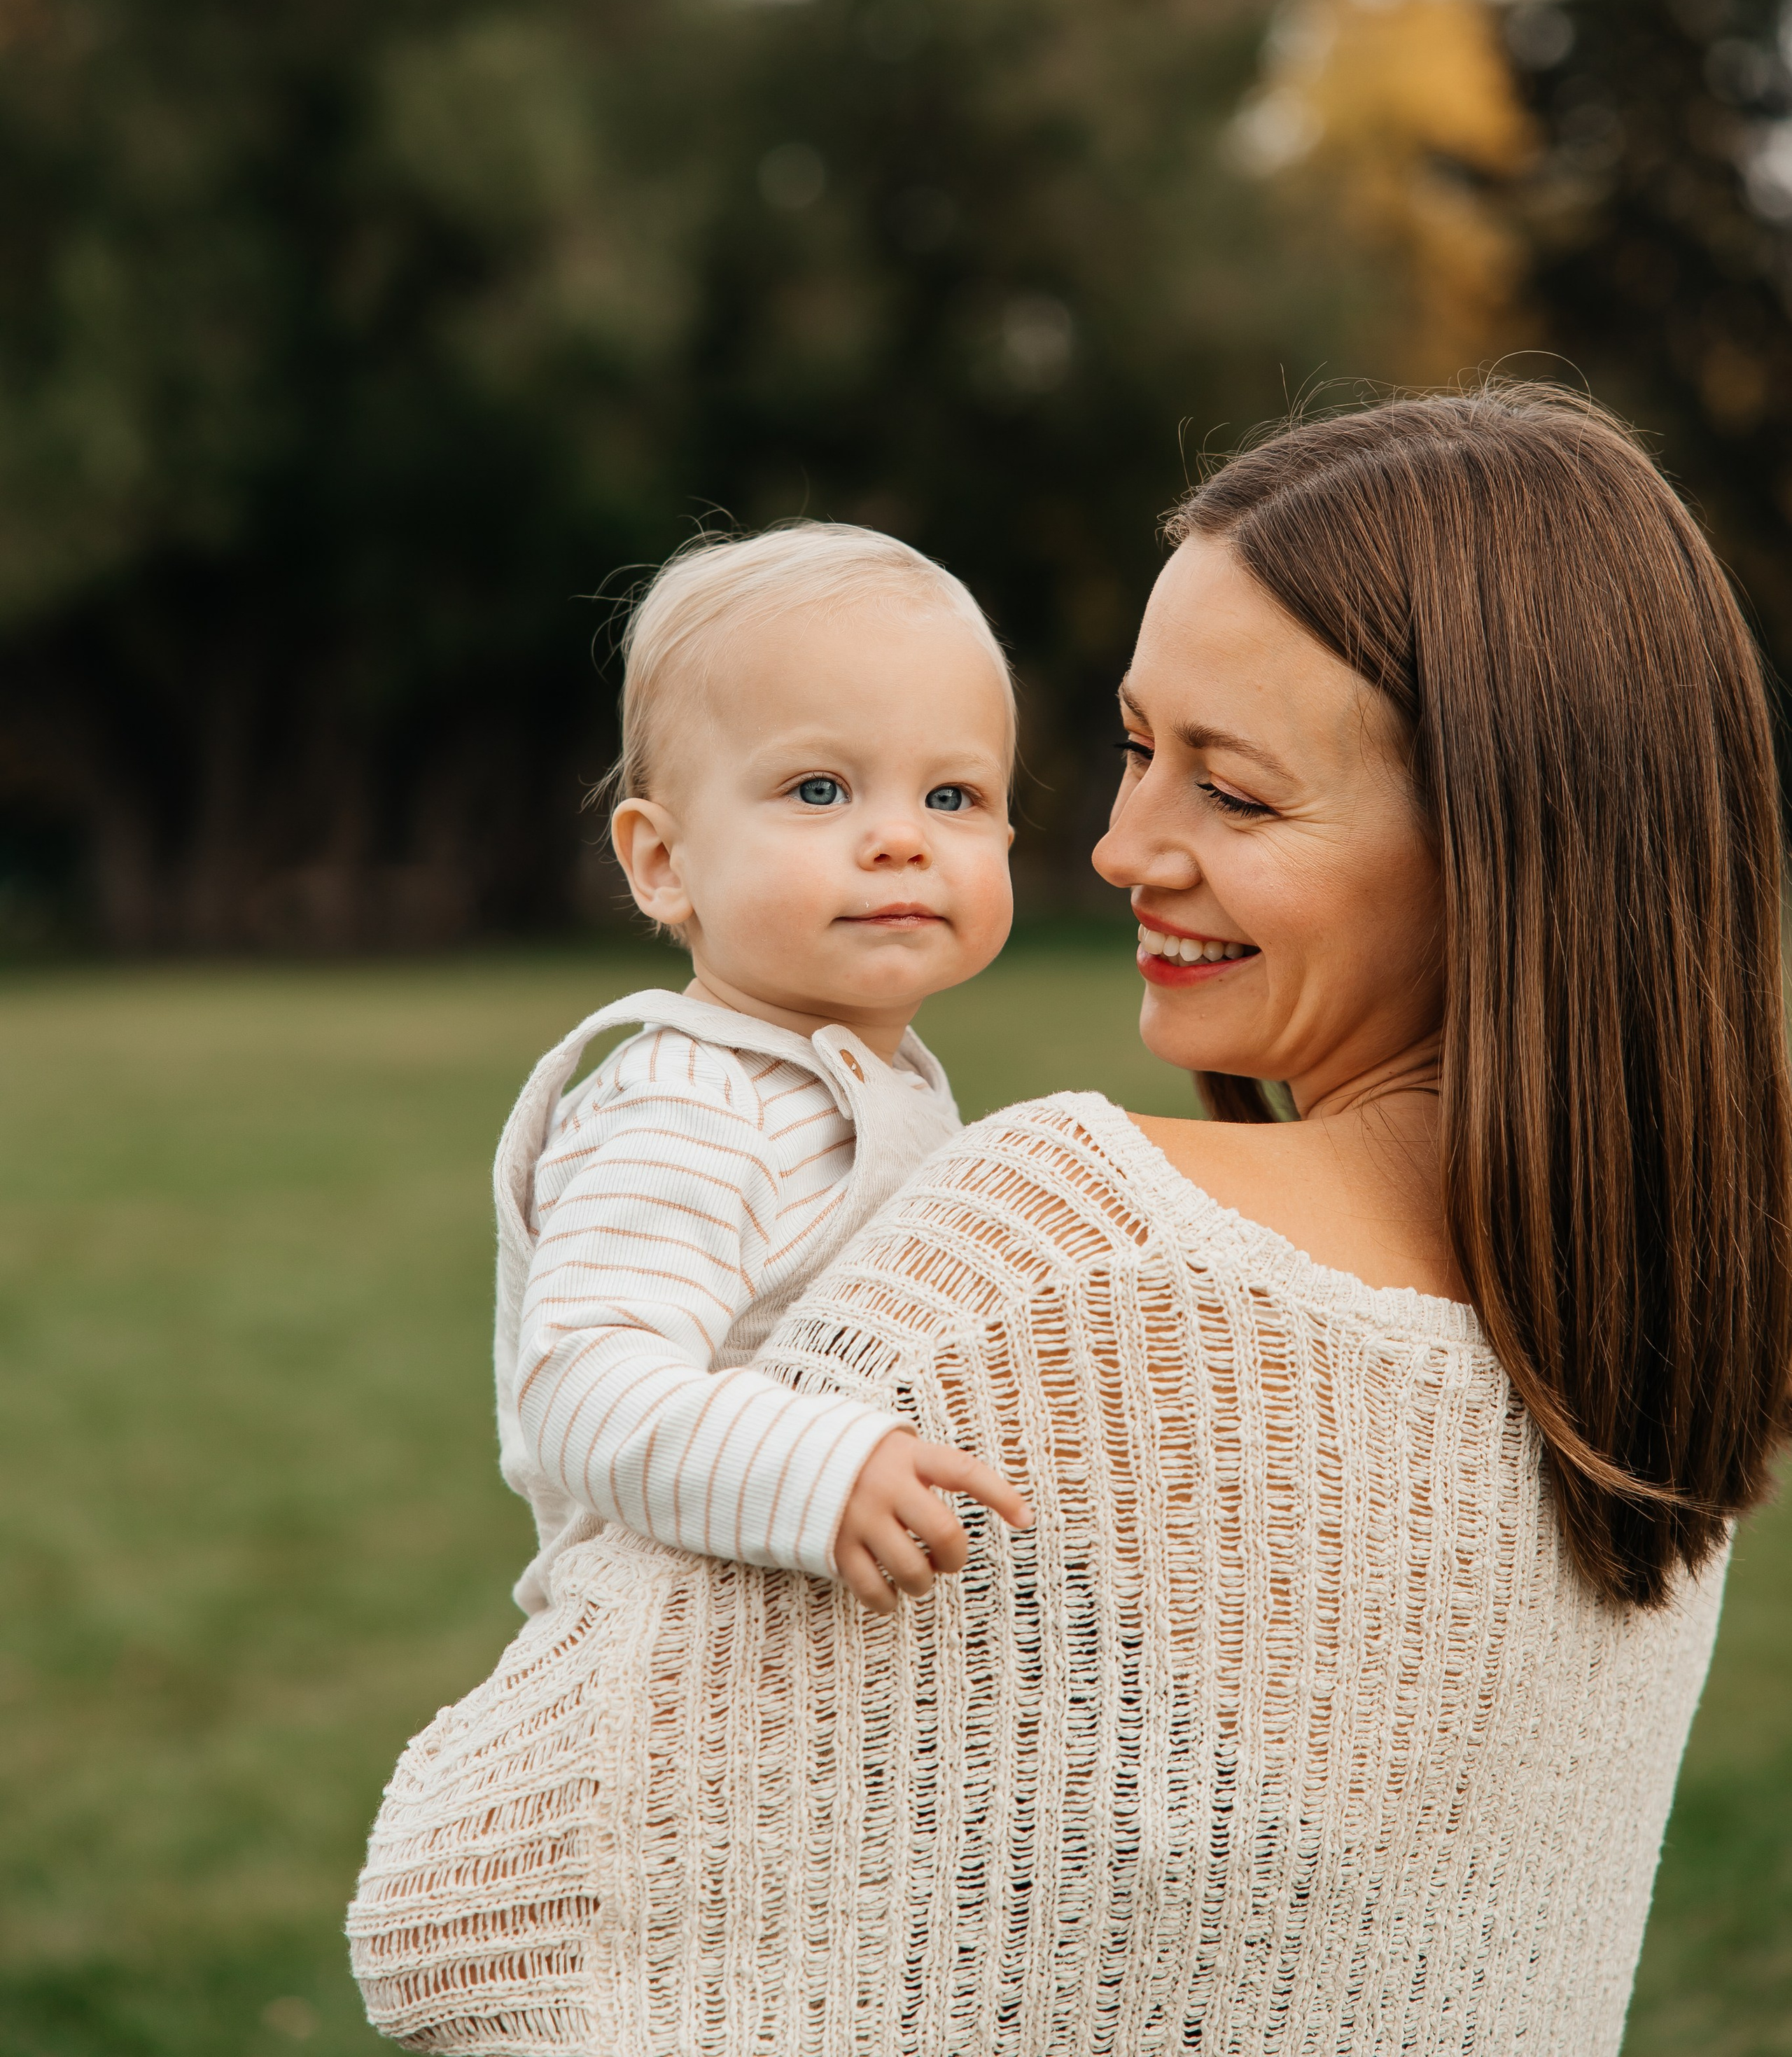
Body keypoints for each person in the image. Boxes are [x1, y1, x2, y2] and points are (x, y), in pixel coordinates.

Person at [351, 386, 1792, 2057]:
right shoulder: (1661, 1314)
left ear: (1501, 845)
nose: (1115, 846)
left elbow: (469, 1911)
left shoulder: (1077, 1251)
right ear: (656, 857)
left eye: (1232, 795)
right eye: (1130, 749)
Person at [486, 522, 1030, 1637]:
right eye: (821, 789)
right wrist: (821, 1470)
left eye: (953, 797)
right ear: (663, 863)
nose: (899, 839)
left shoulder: (886, 1080)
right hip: (665, 1650)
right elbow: (582, 1387)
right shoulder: (693, 1099)